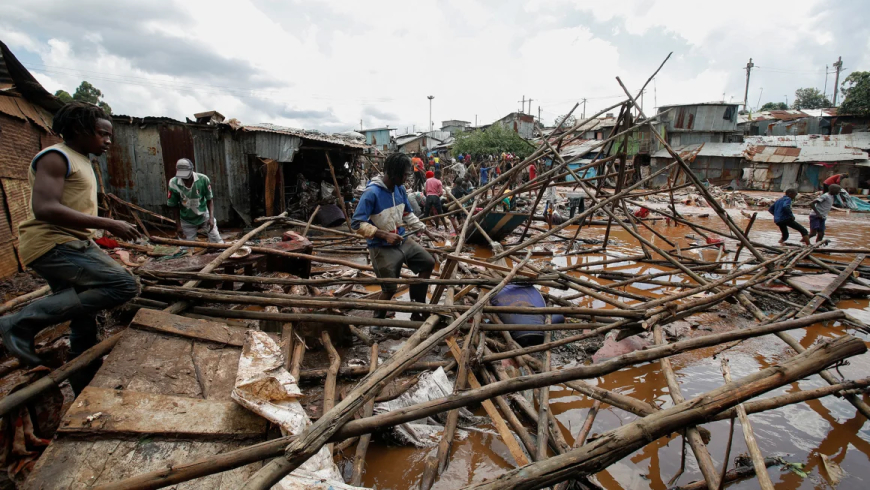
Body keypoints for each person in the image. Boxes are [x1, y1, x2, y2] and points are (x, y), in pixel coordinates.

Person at [0, 102, 141, 384]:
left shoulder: (81, 159)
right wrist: (109, 223)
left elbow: (73, 209)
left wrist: (95, 236)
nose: (108, 141)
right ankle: (18, 323)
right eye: (102, 134)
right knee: (124, 284)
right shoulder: (55, 157)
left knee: (83, 315)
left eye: (109, 135)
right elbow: (45, 208)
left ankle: (83, 377)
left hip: (71, 242)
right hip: (54, 245)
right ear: (78, 129)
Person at [352, 153, 435, 320]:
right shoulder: (371, 193)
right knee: (389, 288)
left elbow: (407, 214)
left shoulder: (400, 189)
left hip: (401, 240)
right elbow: (356, 224)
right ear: (393, 173)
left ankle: (417, 309)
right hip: (380, 246)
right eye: (404, 174)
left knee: (428, 263)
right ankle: (377, 321)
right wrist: (384, 235)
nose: (406, 178)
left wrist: (424, 228)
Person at [167, 159, 223, 243]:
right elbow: (174, 206)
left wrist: (211, 218)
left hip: (203, 214)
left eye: (187, 178)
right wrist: (178, 226)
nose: (185, 180)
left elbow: (209, 200)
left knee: (217, 242)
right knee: (185, 249)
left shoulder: (203, 179)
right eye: (183, 178)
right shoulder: (173, 183)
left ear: (192, 170)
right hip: (186, 218)